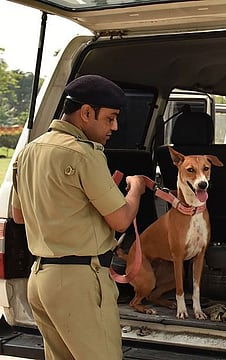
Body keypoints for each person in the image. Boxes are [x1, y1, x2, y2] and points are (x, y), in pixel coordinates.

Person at [11, 74, 146, 360]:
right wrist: (135, 190)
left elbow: (18, 216)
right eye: (110, 118)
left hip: (41, 279)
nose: (115, 127)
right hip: (79, 282)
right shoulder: (84, 154)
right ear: (86, 113)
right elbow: (121, 220)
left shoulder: (28, 152)